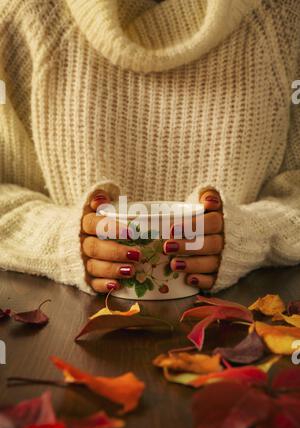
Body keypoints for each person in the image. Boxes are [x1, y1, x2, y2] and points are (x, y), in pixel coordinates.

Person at [0, 0, 299, 296]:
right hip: (58, 324)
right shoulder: (22, 13)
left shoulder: (286, 16)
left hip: (248, 320)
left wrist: (248, 235)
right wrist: (66, 240)